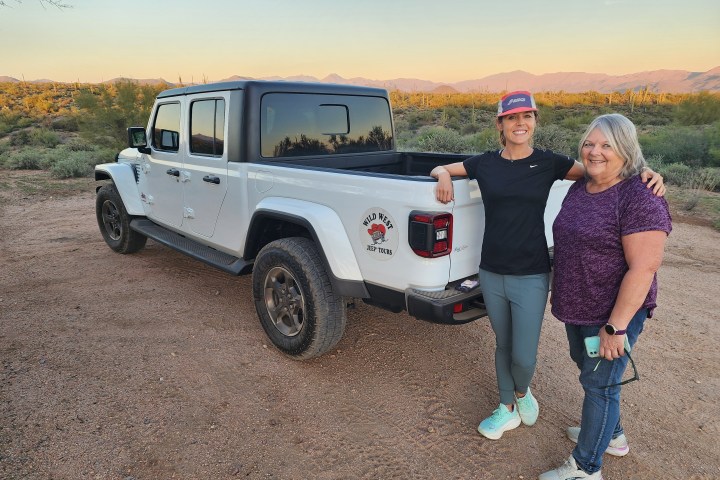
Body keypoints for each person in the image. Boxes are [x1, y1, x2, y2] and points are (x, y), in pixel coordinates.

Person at [430, 92, 665, 441]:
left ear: (535, 122)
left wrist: (643, 172)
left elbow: (605, 172)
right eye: (511, 118)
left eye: (527, 116)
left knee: (523, 353)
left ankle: (523, 392)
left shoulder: (550, 163)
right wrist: (443, 177)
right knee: (502, 344)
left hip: (532, 273)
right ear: (500, 124)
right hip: (491, 271)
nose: (520, 123)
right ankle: (506, 407)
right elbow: (440, 167)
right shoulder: (484, 163)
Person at [539, 113, 672, 480]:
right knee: (591, 372)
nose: (594, 152)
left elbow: (643, 268)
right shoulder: (582, 185)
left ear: (626, 151)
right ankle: (610, 435)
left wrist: (615, 327)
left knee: (599, 385)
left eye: (606, 145)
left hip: (612, 313)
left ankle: (586, 467)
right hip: (579, 304)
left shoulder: (640, 196)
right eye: (589, 143)